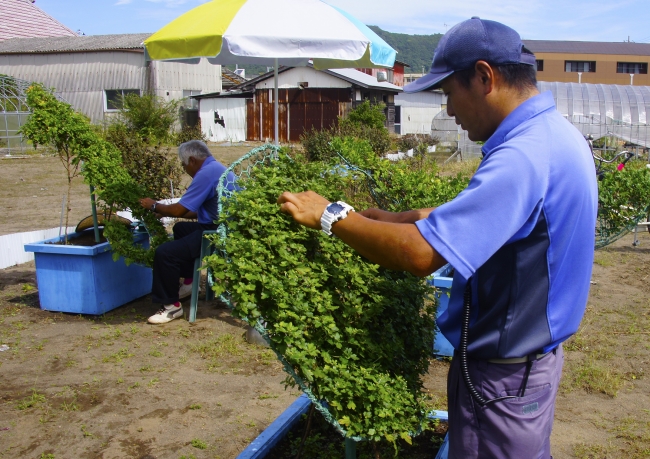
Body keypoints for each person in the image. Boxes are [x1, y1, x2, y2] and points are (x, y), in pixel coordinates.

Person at [277, 17, 598, 459]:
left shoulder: (523, 156)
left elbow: (421, 254)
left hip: (502, 379)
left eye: (449, 93)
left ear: (484, 77)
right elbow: (491, 220)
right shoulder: (554, 136)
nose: (448, 110)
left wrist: (331, 216)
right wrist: (393, 218)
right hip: (527, 370)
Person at [139, 140, 236, 325]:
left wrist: (153, 206)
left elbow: (179, 211)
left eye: (183, 165)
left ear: (191, 160)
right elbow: (194, 211)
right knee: (180, 228)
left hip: (218, 232)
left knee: (165, 254)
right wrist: (163, 210)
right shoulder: (216, 168)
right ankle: (190, 282)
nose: (185, 169)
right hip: (224, 226)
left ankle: (170, 307)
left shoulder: (206, 174)